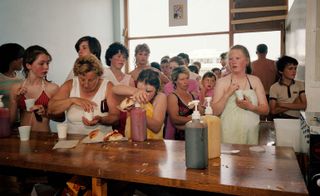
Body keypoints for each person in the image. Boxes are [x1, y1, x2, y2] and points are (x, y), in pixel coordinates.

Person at [48, 54, 119, 135]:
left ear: (99, 76)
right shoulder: (70, 85)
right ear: (77, 75)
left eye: (91, 80)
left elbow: (115, 118)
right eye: (82, 79)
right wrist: (72, 100)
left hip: (102, 140)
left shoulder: (108, 86)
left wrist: (101, 120)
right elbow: (51, 108)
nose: (86, 84)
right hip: (73, 140)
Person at [211, 45, 269, 145]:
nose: (233, 62)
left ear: (246, 61)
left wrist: (250, 106)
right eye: (230, 59)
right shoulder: (222, 82)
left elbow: (265, 110)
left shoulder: (255, 81)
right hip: (227, 135)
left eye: (237, 58)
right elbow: (215, 112)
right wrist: (228, 93)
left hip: (251, 134)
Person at [9, 45, 60, 132]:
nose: (46, 67)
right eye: (41, 63)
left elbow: (61, 118)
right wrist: (14, 101)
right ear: (28, 65)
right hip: (23, 136)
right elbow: (10, 122)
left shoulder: (53, 88)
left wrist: (46, 112)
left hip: (44, 137)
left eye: (47, 63)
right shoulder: (16, 88)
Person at [113, 69, 167, 139]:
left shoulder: (160, 97)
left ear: (156, 90)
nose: (143, 94)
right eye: (140, 89)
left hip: (153, 143)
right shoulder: (135, 94)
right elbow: (114, 89)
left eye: (148, 91)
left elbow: (156, 127)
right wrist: (135, 91)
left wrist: (136, 111)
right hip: (131, 140)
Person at [167, 66, 201, 140]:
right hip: (181, 137)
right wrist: (195, 119)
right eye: (182, 79)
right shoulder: (172, 97)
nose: (186, 82)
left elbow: (198, 112)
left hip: (195, 135)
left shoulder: (191, 95)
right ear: (175, 81)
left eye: (187, 78)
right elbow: (174, 119)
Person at [0, 43, 25, 108]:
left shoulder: (21, 77)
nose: (24, 60)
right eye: (22, 57)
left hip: (19, 117)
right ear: (13, 59)